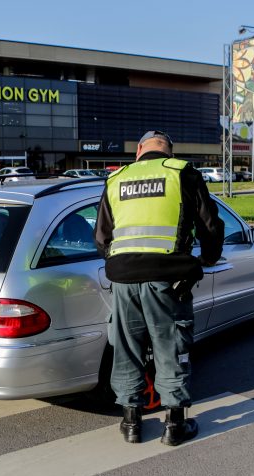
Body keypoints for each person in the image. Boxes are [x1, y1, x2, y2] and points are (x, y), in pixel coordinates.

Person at [94, 130, 224, 446]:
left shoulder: (117, 179)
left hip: (123, 280)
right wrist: (207, 258)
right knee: (170, 347)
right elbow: (210, 226)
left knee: (126, 349)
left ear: (139, 150)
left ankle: (131, 425)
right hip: (168, 280)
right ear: (168, 151)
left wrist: (124, 261)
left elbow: (101, 238)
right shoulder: (182, 173)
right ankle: (175, 426)